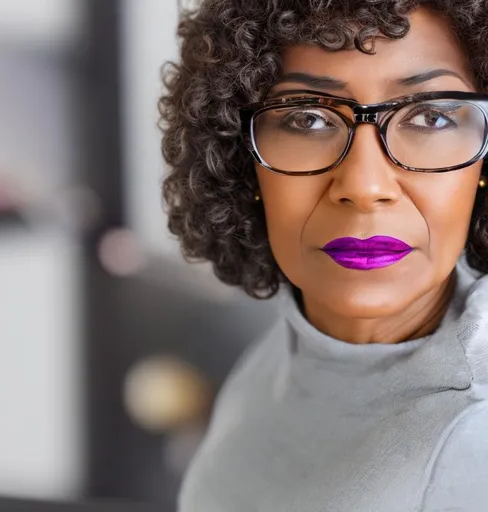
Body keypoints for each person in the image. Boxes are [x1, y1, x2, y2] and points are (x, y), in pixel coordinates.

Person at [158, 1, 488, 510]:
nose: (364, 185)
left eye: (430, 115)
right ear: (240, 156)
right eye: (307, 119)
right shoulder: (283, 355)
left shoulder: (471, 443)